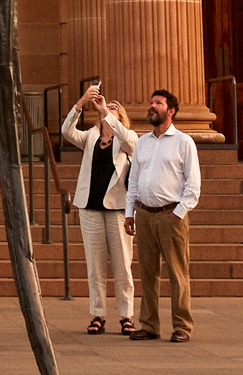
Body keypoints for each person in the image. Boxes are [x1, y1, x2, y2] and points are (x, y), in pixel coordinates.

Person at [59, 79, 137, 338]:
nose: (108, 107)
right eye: (106, 106)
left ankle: (126, 316)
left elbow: (129, 140)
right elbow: (66, 131)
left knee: (122, 266)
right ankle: (98, 314)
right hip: (89, 208)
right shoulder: (91, 137)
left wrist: (106, 111)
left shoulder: (128, 140)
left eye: (115, 107)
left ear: (119, 116)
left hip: (116, 210)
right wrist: (81, 103)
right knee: (95, 266)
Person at [126, 89, 203, 342]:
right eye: (151, 103)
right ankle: (149, 324)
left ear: (170, 110)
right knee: (148, 272)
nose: (152, 106)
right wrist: (130, 213)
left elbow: (193, 185)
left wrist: (178, 213)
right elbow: (134, 181)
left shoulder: (183, 142)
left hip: (171, 215)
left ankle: (182, 325)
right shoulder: (143, 142)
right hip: (145, 215)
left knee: (177, 272)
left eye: (157, 103)